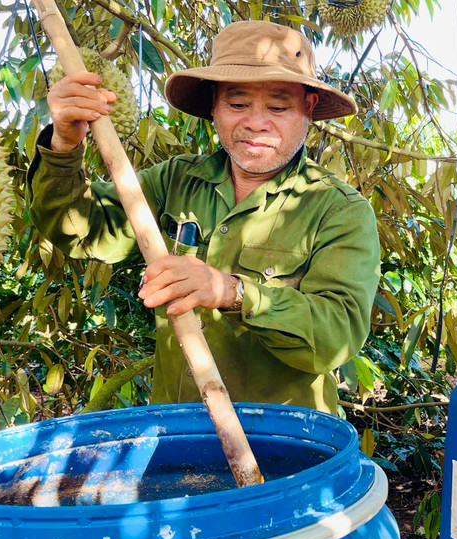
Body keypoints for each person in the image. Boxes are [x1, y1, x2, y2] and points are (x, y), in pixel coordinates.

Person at [27, 21, 380, 414]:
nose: (256, 122)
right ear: (214, 105)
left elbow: (337, 334)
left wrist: (232, 292)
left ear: (308, 109)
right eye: (238, 104)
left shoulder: (338, 210)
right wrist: (63, 143)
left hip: (286, 438)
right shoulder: (175, 179)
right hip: (179, 426)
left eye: (278, 107)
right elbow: (81, 230)